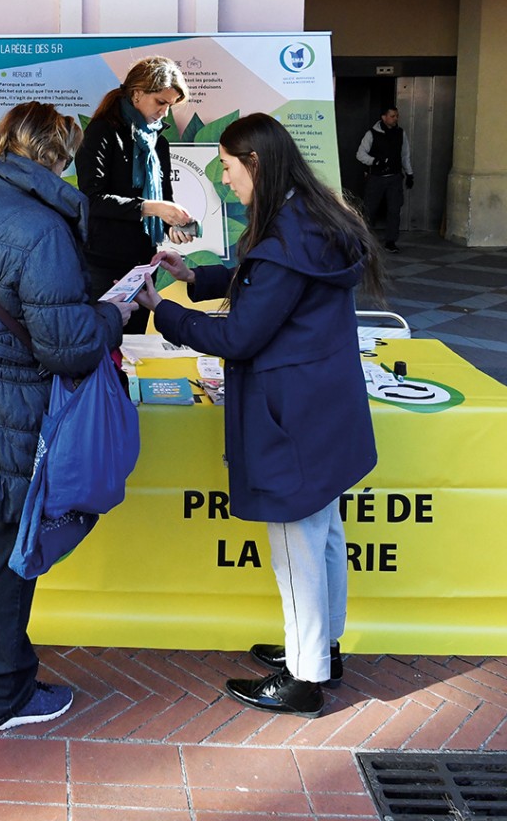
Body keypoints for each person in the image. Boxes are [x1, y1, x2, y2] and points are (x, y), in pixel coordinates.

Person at [137, 112, 384, 719]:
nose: (224, 179)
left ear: (257, 164)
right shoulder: (313, 218)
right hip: (323, 405)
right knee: (324, 536)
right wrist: (195, 275)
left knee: (295, 550)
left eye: (227, 166)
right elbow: (266, 284)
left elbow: (243, 333)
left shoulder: (282, 237)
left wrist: (160, 311)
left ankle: (302, 681)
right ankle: (321, 649)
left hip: (288, 414)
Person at [0, 101, 131, 732]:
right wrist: (113, 313)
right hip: (17, 413)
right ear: (52, 157)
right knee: (10, 554)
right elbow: (67, 347)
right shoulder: (41, 229)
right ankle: (5, 693)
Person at [77, 56, 195, 333]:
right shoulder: (101, 131)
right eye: (161, 102)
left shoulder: (159, 142)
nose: (165, 112)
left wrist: (175, 226)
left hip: (142, 265)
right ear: (137, 94)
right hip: (102, 264)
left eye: (170, 105)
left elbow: (165, 197)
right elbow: (93, 199)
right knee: (101, 346)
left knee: (134, 351)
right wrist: (153, 208)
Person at [356, 106, 413, 253]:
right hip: (376, 178)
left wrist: (409, 173)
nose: (396, 119)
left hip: (394, 177)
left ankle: (390, 241)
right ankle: (364, 240)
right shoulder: (372, 134)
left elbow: (405, 155)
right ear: (384, 117)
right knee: (369, 210)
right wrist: (375, 161)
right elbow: (360, 154)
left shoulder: (400, 133)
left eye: (397, 116)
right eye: (392, 116)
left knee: (394, 210)